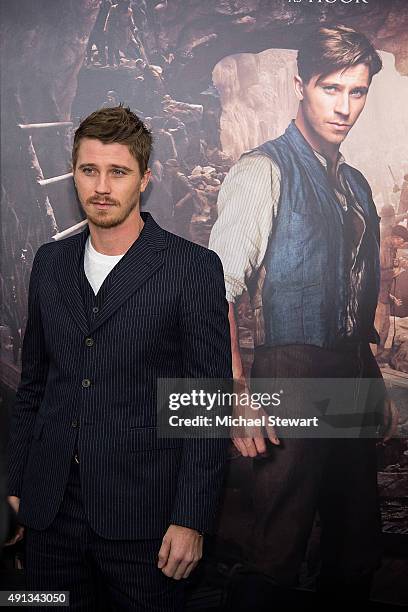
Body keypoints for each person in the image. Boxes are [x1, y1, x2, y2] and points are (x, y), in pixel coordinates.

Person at [6, 106, 232, 610]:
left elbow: (207, 407)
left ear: (145, 179)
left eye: (118, 171)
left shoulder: (191, 268)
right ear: (74, 175)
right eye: (89, 170)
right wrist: (17, 483)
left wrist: (191, 518)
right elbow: (36, 385)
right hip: (49, 515)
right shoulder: (50, 263)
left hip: (145, 521)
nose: (101, 186)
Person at [209, 25, 394, 608]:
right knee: (275, 549)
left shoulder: (358, 185)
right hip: (287, 375)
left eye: (357, 92)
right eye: (330, 89)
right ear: (300, 86)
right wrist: (238, 396)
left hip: (351, 376)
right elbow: (212, 294)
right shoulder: (261, 171)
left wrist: (372, 383)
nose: (344, 107)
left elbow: (355, 280)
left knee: (355, 546)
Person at [375, 224, 408, 359]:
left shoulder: (391, 249)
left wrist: (399, 263)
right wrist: (396, 271)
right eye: (402, 241)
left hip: (385, 295)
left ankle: (380, 356)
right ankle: (373, 357)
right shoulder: (382, 249)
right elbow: (376, 274)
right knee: (378, 327)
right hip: (378, 296)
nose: (403, 245)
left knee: (385, 328)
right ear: (395, 238)